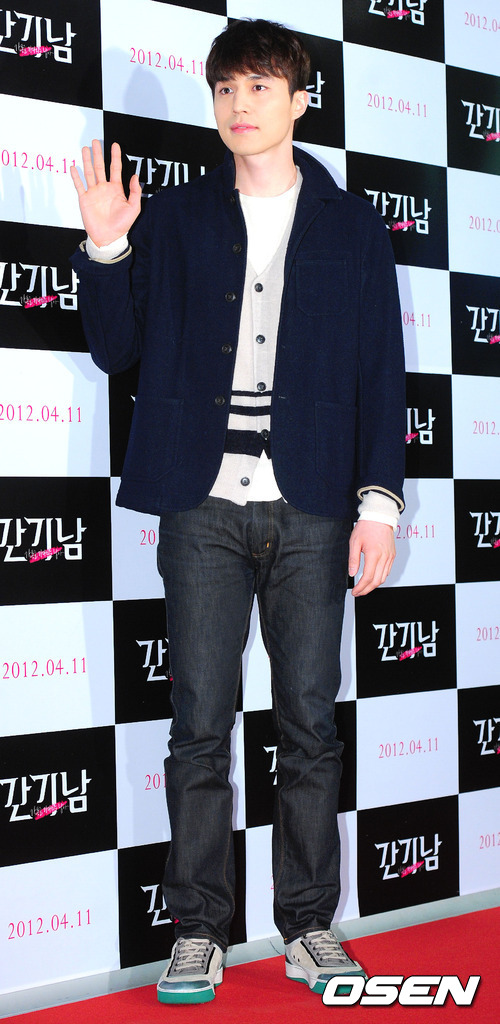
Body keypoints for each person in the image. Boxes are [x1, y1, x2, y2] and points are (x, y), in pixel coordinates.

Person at [70, 17, 405, 1006]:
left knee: (309, 725)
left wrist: (379, 505)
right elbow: (114, 349)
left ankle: (308, 924)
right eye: (225, 89)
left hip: (313, 507)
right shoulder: (174, 217)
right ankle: (196, 931)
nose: (239, 105)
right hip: (201, 503)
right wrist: (107, 244)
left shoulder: (352, 225)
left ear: (300, 100)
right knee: (198, 728)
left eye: (259, 86)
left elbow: (379, 374)